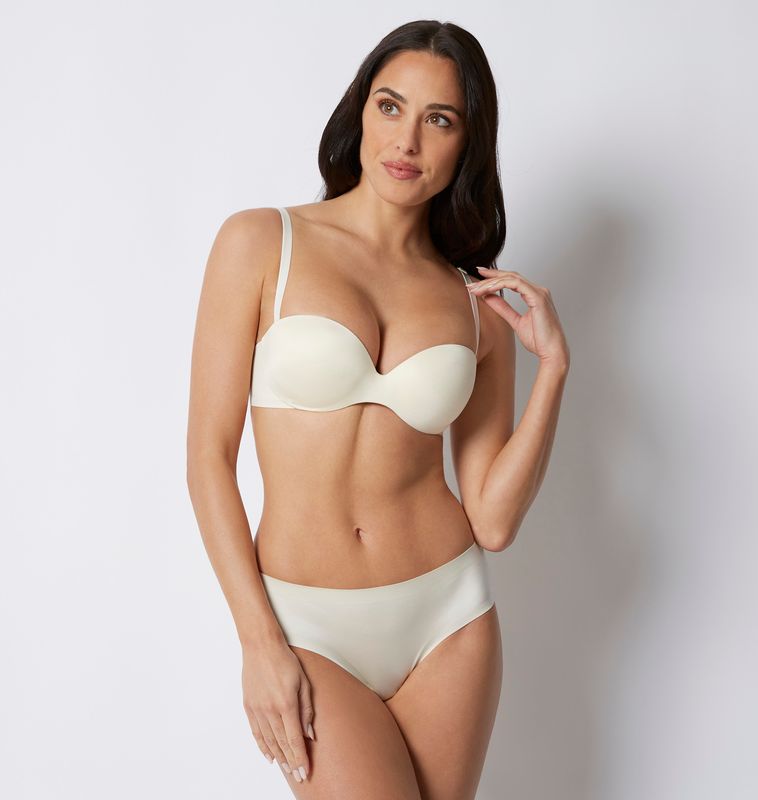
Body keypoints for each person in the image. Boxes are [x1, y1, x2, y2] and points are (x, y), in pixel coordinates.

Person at [186, 18, 570, 799]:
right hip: (307, 625)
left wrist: (556, 369)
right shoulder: (261, 243)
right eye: (390, 106)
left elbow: (494, 521)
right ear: (359, 110)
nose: (407, 140)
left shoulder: (476, 303)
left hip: (448, 619)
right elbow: (207, 458)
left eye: (440, 119)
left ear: (467, 143)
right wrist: (259, 642)